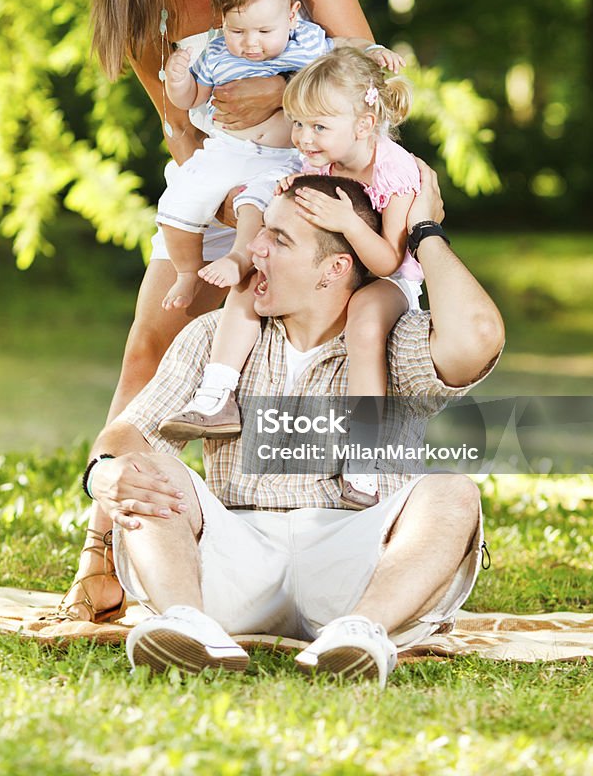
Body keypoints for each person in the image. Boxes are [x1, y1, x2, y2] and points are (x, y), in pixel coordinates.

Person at [59, 0, 390, 624]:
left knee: (336, 345)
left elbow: (365, 72)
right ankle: (99, 550)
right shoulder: (150, 18)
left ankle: (351, 540)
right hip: (226, 184)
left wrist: (281, 98)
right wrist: (230, 223)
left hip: (318, 171)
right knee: (148, 342)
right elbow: (182, 141)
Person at [79, 163, 504, 688]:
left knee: (452, 492)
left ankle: (361, 634)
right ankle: (186, 624)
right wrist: (102, 474)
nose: (254, 250)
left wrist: (425, 234)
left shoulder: (395, 339)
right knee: (148, 467)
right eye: (260, 235)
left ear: (333, 269)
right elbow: (132, 431)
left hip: (357, 563)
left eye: (278, 240)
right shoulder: (217, 337)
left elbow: (480, 334)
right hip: (233, 562)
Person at [159, 48, 423, 509]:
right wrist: (281, 188)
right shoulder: (318, 160)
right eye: (297, 124)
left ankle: (363, 457)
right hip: (335, 272)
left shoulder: (394, 169)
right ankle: (216, 393)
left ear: (363, 124)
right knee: (247, 284)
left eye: (318, 127)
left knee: (363, 320)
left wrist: (348, 221)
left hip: (388, 279)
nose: (302, 138)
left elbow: (386, 260)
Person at [157, 0, 403, 310]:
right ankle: (187, 273)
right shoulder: (217, 53)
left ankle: (240, 257)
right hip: (228, 151)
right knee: (178, 198)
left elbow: (345, 47)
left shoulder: (308, 42)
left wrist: (374, 50)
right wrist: (178, 80)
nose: (250, 43)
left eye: (264, 31)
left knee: (255, 200)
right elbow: (191, 97)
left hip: (285, 155)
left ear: (292, 16)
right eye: (236, 30)